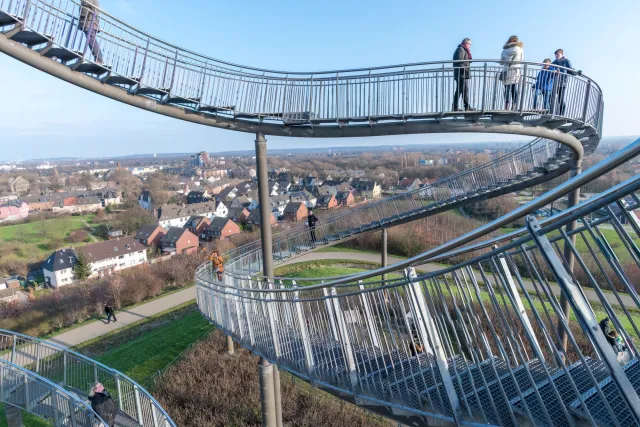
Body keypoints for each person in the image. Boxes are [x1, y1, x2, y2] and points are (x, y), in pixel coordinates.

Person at [551, 49, 581, 115]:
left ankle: (561, 114)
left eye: (557, 54)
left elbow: (570, 70)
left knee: (560, 100)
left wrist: (577, 73)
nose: (556, 56)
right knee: (551, 97)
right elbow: (550, 69)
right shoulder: (554, 62)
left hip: (562, 83)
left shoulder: (566, 61)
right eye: (555, 55)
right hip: (554, 83)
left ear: (562, 54)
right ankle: (553, 112)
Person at [500, 36, 524, 111]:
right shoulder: (520, 49)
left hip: (506, 70)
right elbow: (521, 59)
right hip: (516, 70)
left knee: (507, 88)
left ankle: (506, 106)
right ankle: (514, 105)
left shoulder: (505, 50)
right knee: (514, 88)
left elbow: (501, 62)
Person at [452, 38, 475, 111]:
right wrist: (464, 69)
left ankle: (466, 106)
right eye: (470, 44)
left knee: (464, 90)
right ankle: (455, 107)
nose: (470, 46)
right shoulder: (461, 49)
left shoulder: (462, 49)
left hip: (462, 73)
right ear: (466, 43)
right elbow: (460, 61)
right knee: (460, 90)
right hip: (461, 73)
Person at [79, 0, 104, 64]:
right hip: (88, 23)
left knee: (91, 41)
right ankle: (99, 59)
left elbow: (94, 11)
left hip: (90, 23)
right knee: (91, 40)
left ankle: (99, 59)